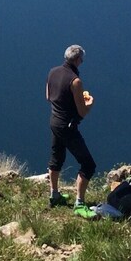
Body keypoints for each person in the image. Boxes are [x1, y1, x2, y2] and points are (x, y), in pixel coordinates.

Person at [46, 44, 97, 216]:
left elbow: (48, 96)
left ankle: (54, 195)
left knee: (56, 158)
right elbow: (82, 111)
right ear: (76, 60)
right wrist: (89, 104)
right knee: (88, 165)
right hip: (67, 126)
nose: (82, 61)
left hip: (54, 121)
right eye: (81, 59)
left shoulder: (53, 71)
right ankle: (80, 204)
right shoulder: (75, 81)